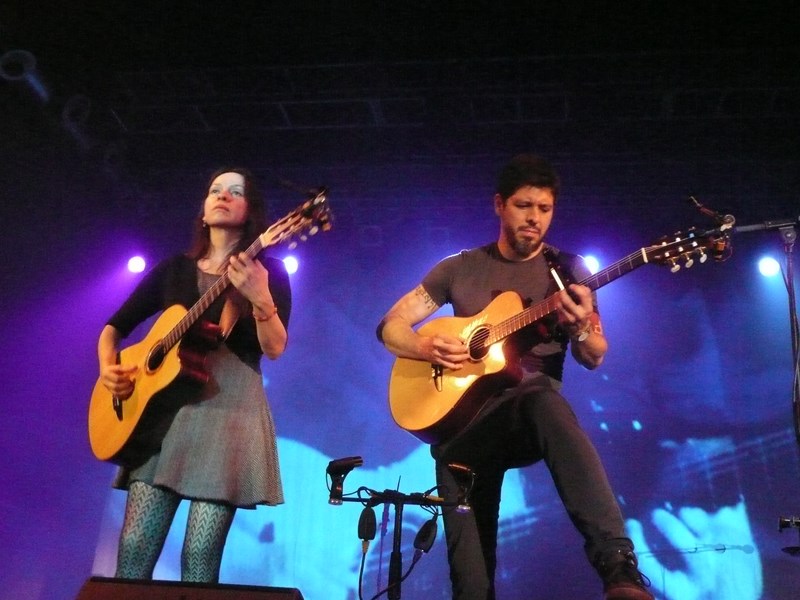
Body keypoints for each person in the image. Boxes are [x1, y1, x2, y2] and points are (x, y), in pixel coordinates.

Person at [376, 154, 654, 599]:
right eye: (524, 206)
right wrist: (425, 347)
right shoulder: (459, 267)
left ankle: (617, 565)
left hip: (528, 417)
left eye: (545, 209)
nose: (534, 218)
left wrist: (581, 328)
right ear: (499, 205)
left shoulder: (568, 272)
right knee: (470, 583)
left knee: (543, 400)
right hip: (461, 429)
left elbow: (594, 356)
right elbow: (390, 326)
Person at [97, 167, 291, 582]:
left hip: (229, 411)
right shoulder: (174, 270)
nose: (223, 196)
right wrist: (108, 368)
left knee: (200, 557)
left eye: (235, 192)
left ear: (250, 211)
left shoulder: (267, 271)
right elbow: (114, 328)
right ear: (203, 211)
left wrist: (261, 299)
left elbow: (275, 348)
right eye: (215, 190)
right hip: (163, 418)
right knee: (133, 548)